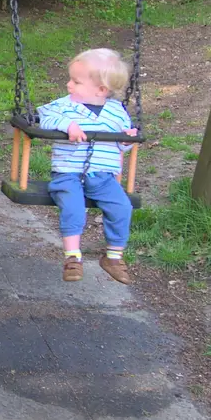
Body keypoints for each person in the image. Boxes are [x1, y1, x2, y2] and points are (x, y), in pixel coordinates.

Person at [35, 48, 138, 284]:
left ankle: (113, 256)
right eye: (70, 79)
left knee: (122, 207)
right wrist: (67, 125)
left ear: (101, 90)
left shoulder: (116, 112)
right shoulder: (63, 106)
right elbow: (44, 117)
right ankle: (72, 257)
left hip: (103, 176)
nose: (69, 85)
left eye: (76, 81)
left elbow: (122, 147)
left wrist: (126, 139)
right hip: (68, 173)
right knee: (73, 208)